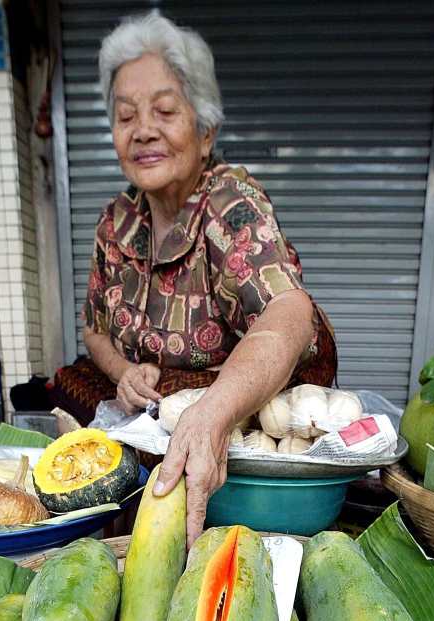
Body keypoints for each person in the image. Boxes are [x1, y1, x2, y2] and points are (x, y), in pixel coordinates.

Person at [51, 12, 336, 546]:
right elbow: (94, 327)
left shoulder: (230, 203)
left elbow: (289, 312)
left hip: (241, 427)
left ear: (205, 132)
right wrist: (124, 371)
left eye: (164, 110)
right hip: (156, 424)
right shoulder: (117, 221)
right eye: (125, 116)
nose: (143, 131)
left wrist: (212, 415)